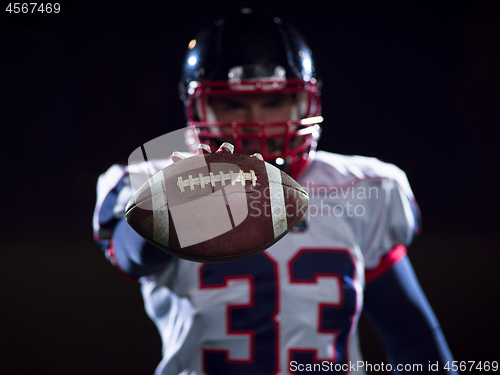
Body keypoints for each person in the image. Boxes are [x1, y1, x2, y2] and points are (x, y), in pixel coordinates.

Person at [93, 9, 457, 374]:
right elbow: (130, 254)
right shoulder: (160, 181)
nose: (255, 122)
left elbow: (411, 336)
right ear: (197, 106)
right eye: (232, 103)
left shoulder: (362, 187)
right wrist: (171, 213)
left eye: (273, 102)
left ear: (306, 102)